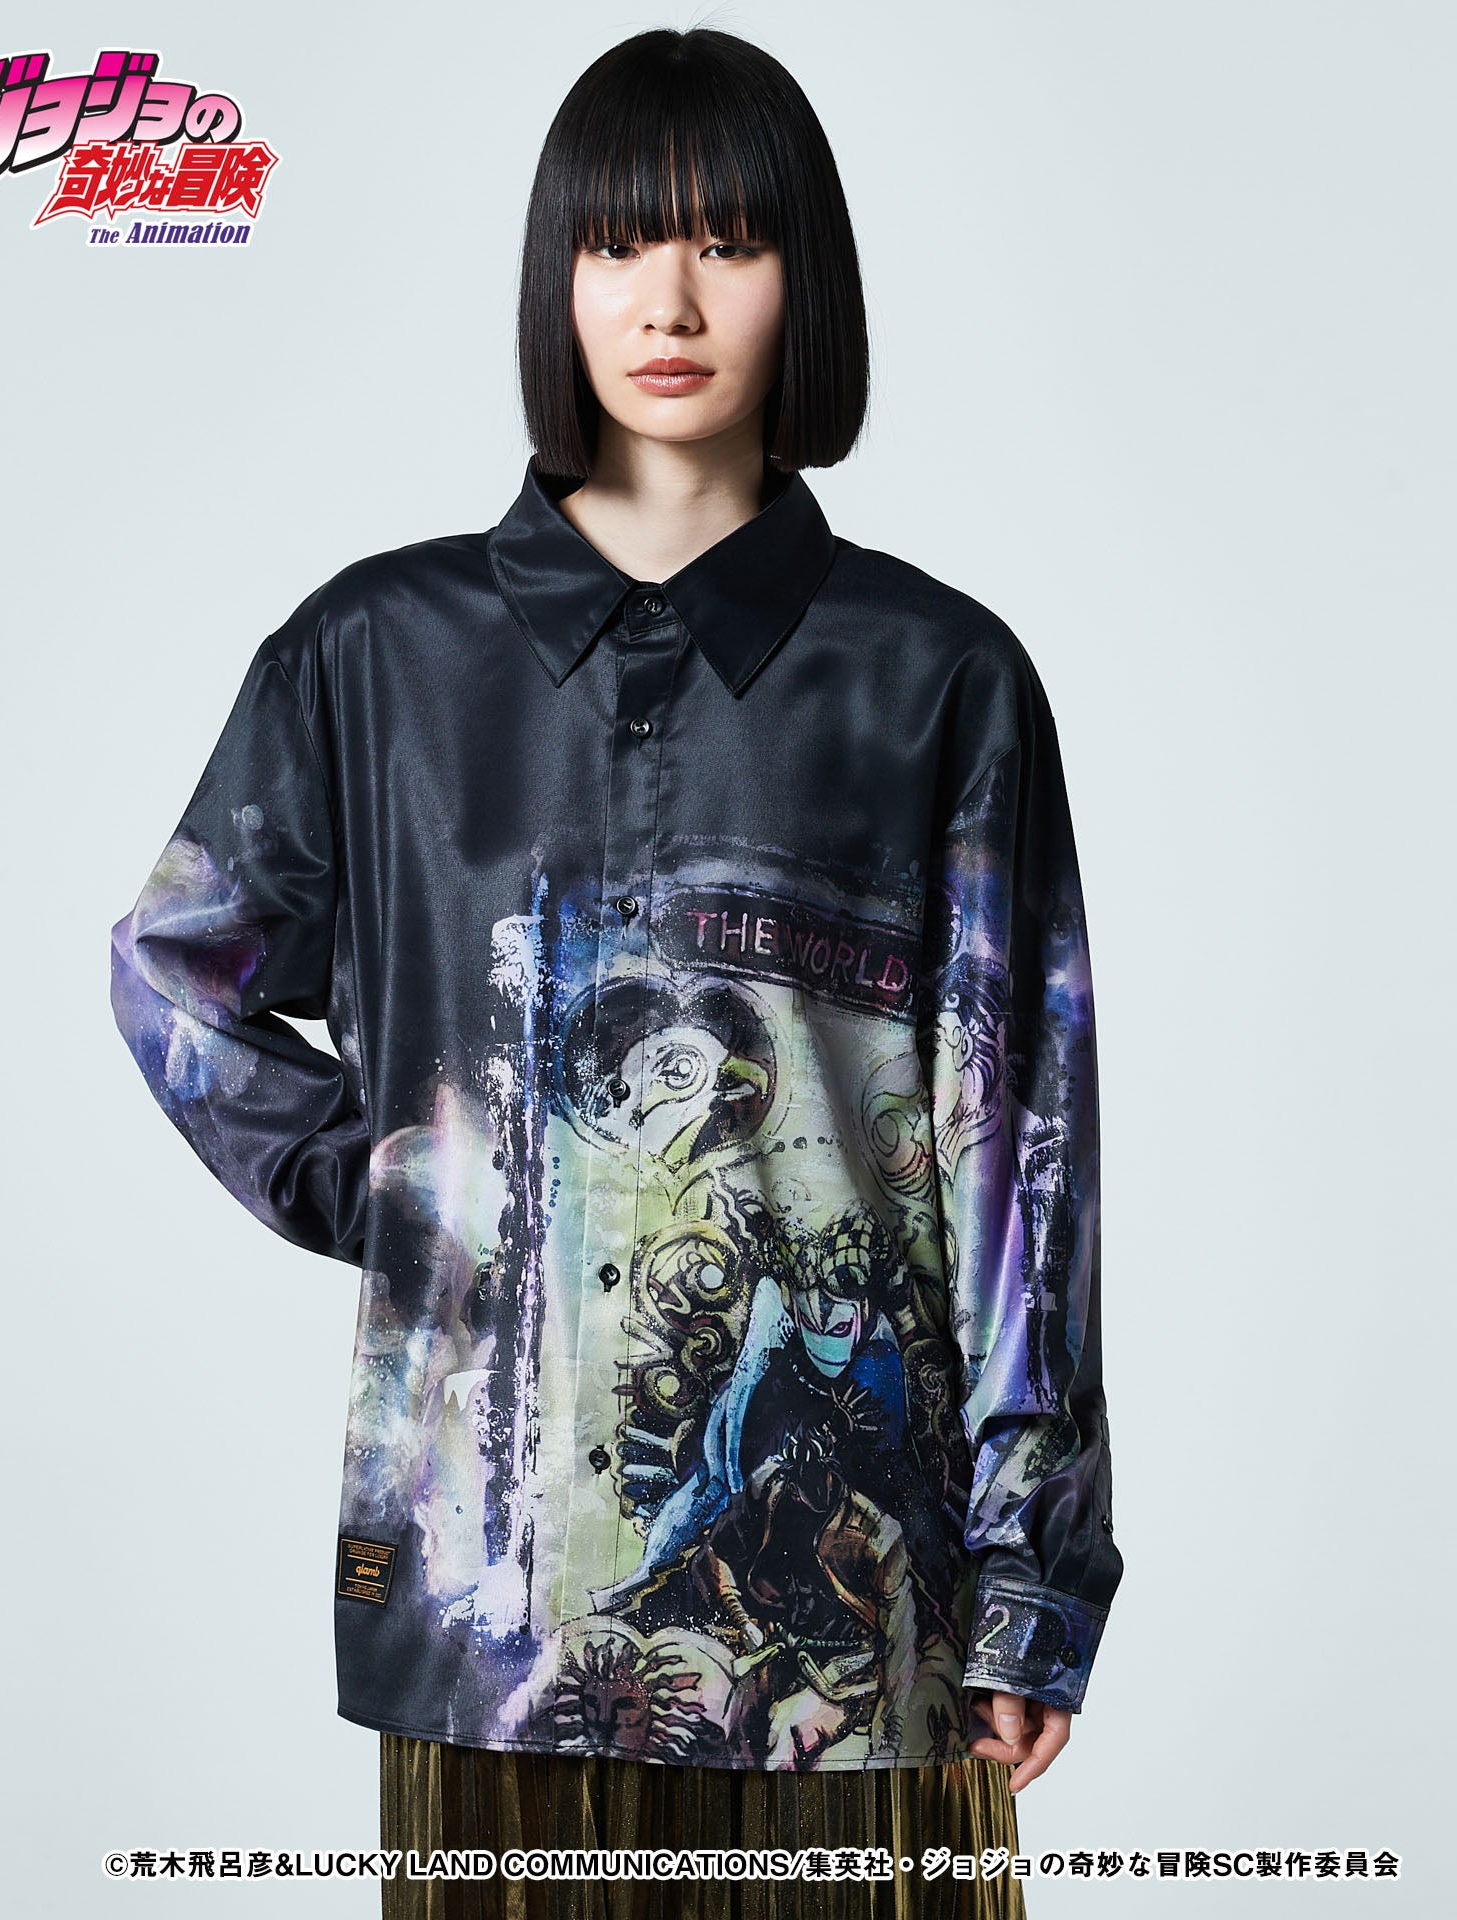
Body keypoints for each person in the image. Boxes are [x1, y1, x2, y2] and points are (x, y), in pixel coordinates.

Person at [110, 25, 1123, 1920]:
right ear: (555, 278)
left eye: (729, 242)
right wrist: (400, 1183)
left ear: (806, 281)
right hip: (489, 1628)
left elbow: (1024, 1166)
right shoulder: (375, 657)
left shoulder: (940, 681)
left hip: (861, 1641)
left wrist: (1034, 1571)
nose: (668, 300)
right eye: (617, 243)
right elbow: (182, 972)